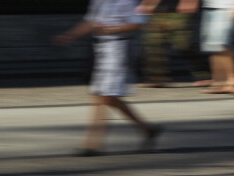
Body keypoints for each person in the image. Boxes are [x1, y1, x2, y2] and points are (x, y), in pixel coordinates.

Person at [53, 0, 162, 156]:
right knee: (105, 96)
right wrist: (71, 35)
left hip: (120, 47)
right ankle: (147, 129)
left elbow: (137, 23)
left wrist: (112, 29)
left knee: (103, 96)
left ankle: (92, 144)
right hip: (101, 47)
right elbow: (90, 20)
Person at [138, 0, 210, 87]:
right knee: (153, 42)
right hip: (160, 9)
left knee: (183, 43)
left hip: (178, 9)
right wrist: (147, 3)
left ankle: (203, 75)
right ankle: (156, 78)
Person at [199, 0, 234, 94]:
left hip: (226, 7)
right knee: (213, 46)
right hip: (211, 6)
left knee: (220, 45)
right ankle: (220, 82)